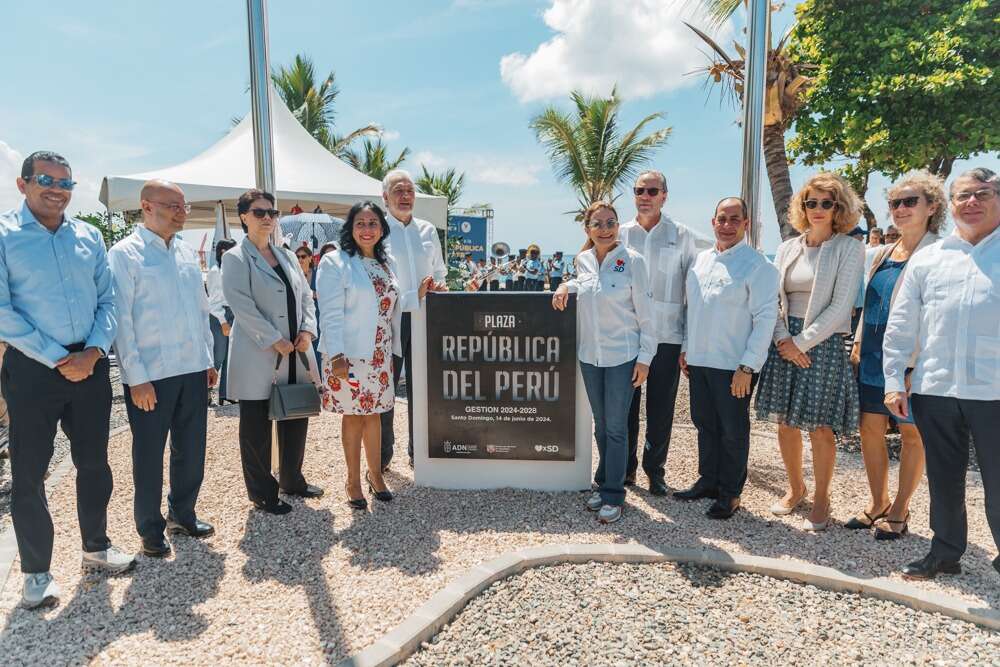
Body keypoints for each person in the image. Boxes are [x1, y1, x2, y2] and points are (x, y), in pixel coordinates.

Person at [0, 151, 134, 609]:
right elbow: (2, 311)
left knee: (95, 463)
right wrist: (60, 359)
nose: (56, 189)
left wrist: (94, 351)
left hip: (90, 366)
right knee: (30, 473)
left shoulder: (89, 236)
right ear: (23, 185)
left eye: (65, 182)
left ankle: (95, 545)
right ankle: (37, 572)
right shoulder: (4, 236)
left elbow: (108, 301)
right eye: (45, 179)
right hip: (34, 370)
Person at [883, 167, 1000, 580]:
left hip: (994, 391)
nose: (972, 202)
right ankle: (945, 552)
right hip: (935, 387)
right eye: (963, 195)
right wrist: (894, 379)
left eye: (982, 194)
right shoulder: (929, 259)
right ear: (949, 205)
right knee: (944, 478)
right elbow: (902, 324)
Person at [108, 180, 218, 558]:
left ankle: (182, 513)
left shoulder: (187, 253)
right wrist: (135, 378)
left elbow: (200, 312)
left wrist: (207, 360)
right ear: (146, 206)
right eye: (172, 205)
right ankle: (150, 528)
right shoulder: (125, 254)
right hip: (151, 374)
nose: (180, 211)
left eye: (183, 205)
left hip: (191, 368)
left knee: (191, 448)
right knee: (149, 454)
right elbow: (121, 320)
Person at [755, 172, 865, 531]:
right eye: (810, 202)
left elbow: (840, 306)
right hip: (785, 339)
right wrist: (783, 339)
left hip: (823, 344)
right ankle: (796, 489)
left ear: (839, 207)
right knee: (785, 423)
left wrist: (798, 344)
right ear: (802, 207)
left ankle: (822, 496)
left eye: (825, 203)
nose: (817, 209)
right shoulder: (788, 248)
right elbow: (772, 298)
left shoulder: (849, 248)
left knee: (820, 427)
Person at [846, 171, 943, 540]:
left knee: (911, 434)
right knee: (869, 429)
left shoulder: (939, 254)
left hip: (912, 362)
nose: (900, 209)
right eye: (895, 203)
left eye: (910, 202)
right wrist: (856, 343)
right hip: (872, 356)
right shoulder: (882, 252)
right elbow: (869, 304)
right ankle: (878, 502)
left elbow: (935, 318)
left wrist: (913, 365)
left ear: (931, 207)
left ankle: (900, 509)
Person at [318, 202, 432, 508]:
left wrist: (416, 295)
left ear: (381, 229)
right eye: (360, 223)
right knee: (354, 416)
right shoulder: (336, 261)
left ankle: (375, 475)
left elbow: (390, 304)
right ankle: (353, 481)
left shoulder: (386, 262)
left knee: (375, 415)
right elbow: (328, 312)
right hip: (349, 353)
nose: (367, 229)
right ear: (350, 228)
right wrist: (336, 353)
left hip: (380, 352)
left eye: (373, 224)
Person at [676, 198, 779, 519]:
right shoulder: (700, 260)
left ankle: (730, 493)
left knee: (733, 430)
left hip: (735, 366)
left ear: (746, 224)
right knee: (704, 424)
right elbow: (692, 309)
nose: (727, 224)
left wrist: (748, 366)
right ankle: (708, 481)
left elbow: (766, 319)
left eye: (735, 219)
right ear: (713, 221)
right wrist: (685, 348)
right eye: (722, 218)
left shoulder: (758, 266)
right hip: (699, 360)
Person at [552, 201, 654, 524]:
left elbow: (647, 316)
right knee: (601, 425)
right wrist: (563, 285)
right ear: (588, 229)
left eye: (610, 222)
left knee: (616, 427)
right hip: (590, 357)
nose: (605, 228)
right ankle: (603, 480)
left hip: (623, 357)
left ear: (618, 226)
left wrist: (645, 359)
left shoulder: (632, 261)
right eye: (598, 224)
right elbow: (586, 285)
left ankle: (613, 493)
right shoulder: (582, 260)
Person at [222, 189, 321, 515]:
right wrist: (273, 338)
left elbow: (306, 297)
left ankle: (292, 479)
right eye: (259, 212)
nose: (267, 218)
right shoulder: (235, 257)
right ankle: (262, 493)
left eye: (272, 213)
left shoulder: (288, 256)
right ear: (244, 217)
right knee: (256, 427)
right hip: (259, 354)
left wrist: (307, 329)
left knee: (295, 415)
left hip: (295, 350)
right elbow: (241, 304)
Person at [618, 170, 699, 496]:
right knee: (625, 407)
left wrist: (688, 343)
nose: (645, 196)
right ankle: (625, 471)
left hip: (667, 335)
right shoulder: (620, 234)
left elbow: (693, 294)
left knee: (661, 408)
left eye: (652, 190)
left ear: (664, 195)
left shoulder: (682, 235)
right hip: (629, 335)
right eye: (640, 190)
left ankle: (656, 471)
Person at [380, 169, 447, 469]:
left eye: (409, 191)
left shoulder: (427, 230)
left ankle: (418, 451)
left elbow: (440, 272)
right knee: (387, 388)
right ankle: (382, 454)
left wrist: (441, 288)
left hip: (425, 320)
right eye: (398, 190)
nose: (405, 196)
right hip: (389, 320)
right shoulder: (376, 230)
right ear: (385, 197)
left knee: (423, 388)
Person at [208, 238, 237, 404]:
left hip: (232, 312)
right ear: (222, 252)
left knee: (230, 355)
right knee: (218, 355)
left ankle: (227, 394)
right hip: (219, 315)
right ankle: (206, 392)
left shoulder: (232, 271)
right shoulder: (214, 271)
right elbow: (213, 301)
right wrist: (223, 321)